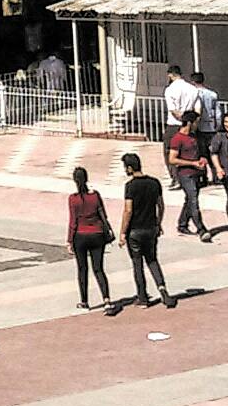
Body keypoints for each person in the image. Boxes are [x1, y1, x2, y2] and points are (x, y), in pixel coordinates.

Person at [118, 152, 174, 311]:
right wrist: (158, 223)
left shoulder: (130, 186)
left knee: (137, 264)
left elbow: (128, 210)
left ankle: (142, 297)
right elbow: (161, 205)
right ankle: (162, 289)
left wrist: (122, 232)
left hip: (135, 230)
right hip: (151, 228)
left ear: (130, 168)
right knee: (152, 260)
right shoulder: (154, 183)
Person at [64, 165, 113, 310]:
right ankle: (107, 300)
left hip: (80, 236)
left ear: (75, 180)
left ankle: (84, 301)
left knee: (82, 269)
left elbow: (73, 221)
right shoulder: (95, 196)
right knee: (98, 269)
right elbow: (103, 215)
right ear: (87, 178)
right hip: (97, 234)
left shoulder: (73, 199)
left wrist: (69, 240)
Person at [166, 113, 210, 237]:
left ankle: (182, 224)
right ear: (190, 123)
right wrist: (192, 163)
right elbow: (172, 159)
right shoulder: (177, 138)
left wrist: (202, 159)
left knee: (189, 200)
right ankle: (201, 229)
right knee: (193, 200)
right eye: (196, 122)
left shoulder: (195, 137)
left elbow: (201, 152)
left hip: (197, 173)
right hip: (185, 174)